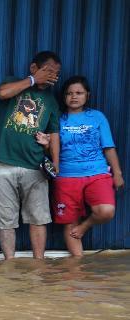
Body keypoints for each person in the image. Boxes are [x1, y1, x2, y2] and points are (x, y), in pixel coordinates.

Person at [0, 50, 62, 260]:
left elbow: (54, 133)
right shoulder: (13, 83)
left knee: (38, 219)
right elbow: (2, 93)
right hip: (3, 164)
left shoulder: (52, 101)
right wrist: (31, 80)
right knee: (5, 221)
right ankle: (9, 266)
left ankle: (39, 265)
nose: (52, 77)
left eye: (56, 73)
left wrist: (55, 162)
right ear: (34, 68)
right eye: (48, 71)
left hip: (35, 167)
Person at [44, 76, 123, 257]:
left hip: (97, 173)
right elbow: (52, 150)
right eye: (69, 93)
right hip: (66, 177)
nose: (74, 97)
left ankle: (85, 226)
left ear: (87, 95)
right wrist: (46, 144)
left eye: (79, 93)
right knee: (70, 222)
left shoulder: (97, 117)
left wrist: (117, 173)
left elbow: (109, 147)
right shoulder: (57, 119)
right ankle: (77, 268)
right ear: (63, 97)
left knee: (106, 211)